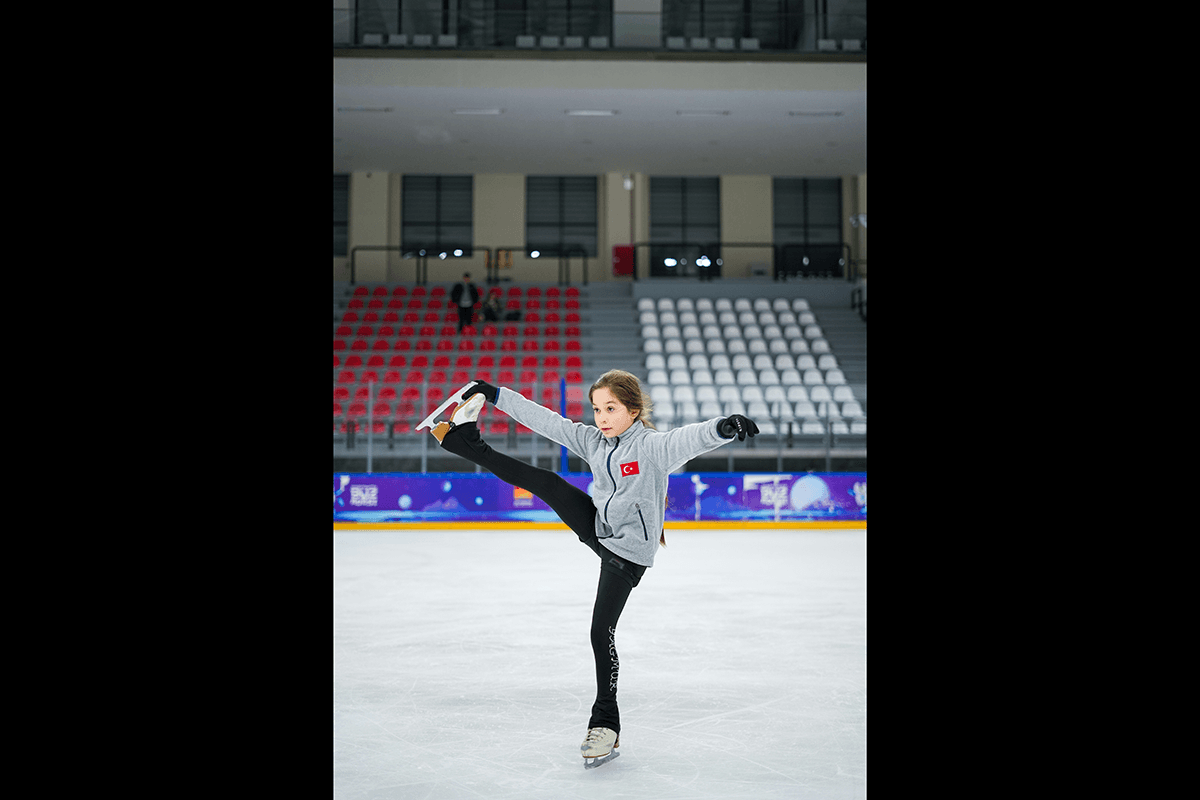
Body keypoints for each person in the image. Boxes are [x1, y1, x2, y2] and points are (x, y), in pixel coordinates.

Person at [426, 369, 759, 766]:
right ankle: (468, 441)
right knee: (548, 482)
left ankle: (606, 723)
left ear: (633, 410)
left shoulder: (651, 448)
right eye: (597, 409)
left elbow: (687, 438)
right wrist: (496, 394)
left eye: (611, 409)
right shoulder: (594, 441)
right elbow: (547, 421)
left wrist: (724, 426)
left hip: (629, 553)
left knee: (600, 631)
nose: (601, 417)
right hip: (598, 526)